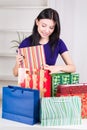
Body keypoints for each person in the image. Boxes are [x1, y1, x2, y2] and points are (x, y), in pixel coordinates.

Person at [13, 8, 76, 77]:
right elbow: (15, 74)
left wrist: (58, 68)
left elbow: (72, 68)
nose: (47, 30)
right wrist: (17, 63)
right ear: (37, 22)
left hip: (48, 85)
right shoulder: (26, 42)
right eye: (43, 26)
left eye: (51, 28)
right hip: (30, 86)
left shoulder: (58, 43)